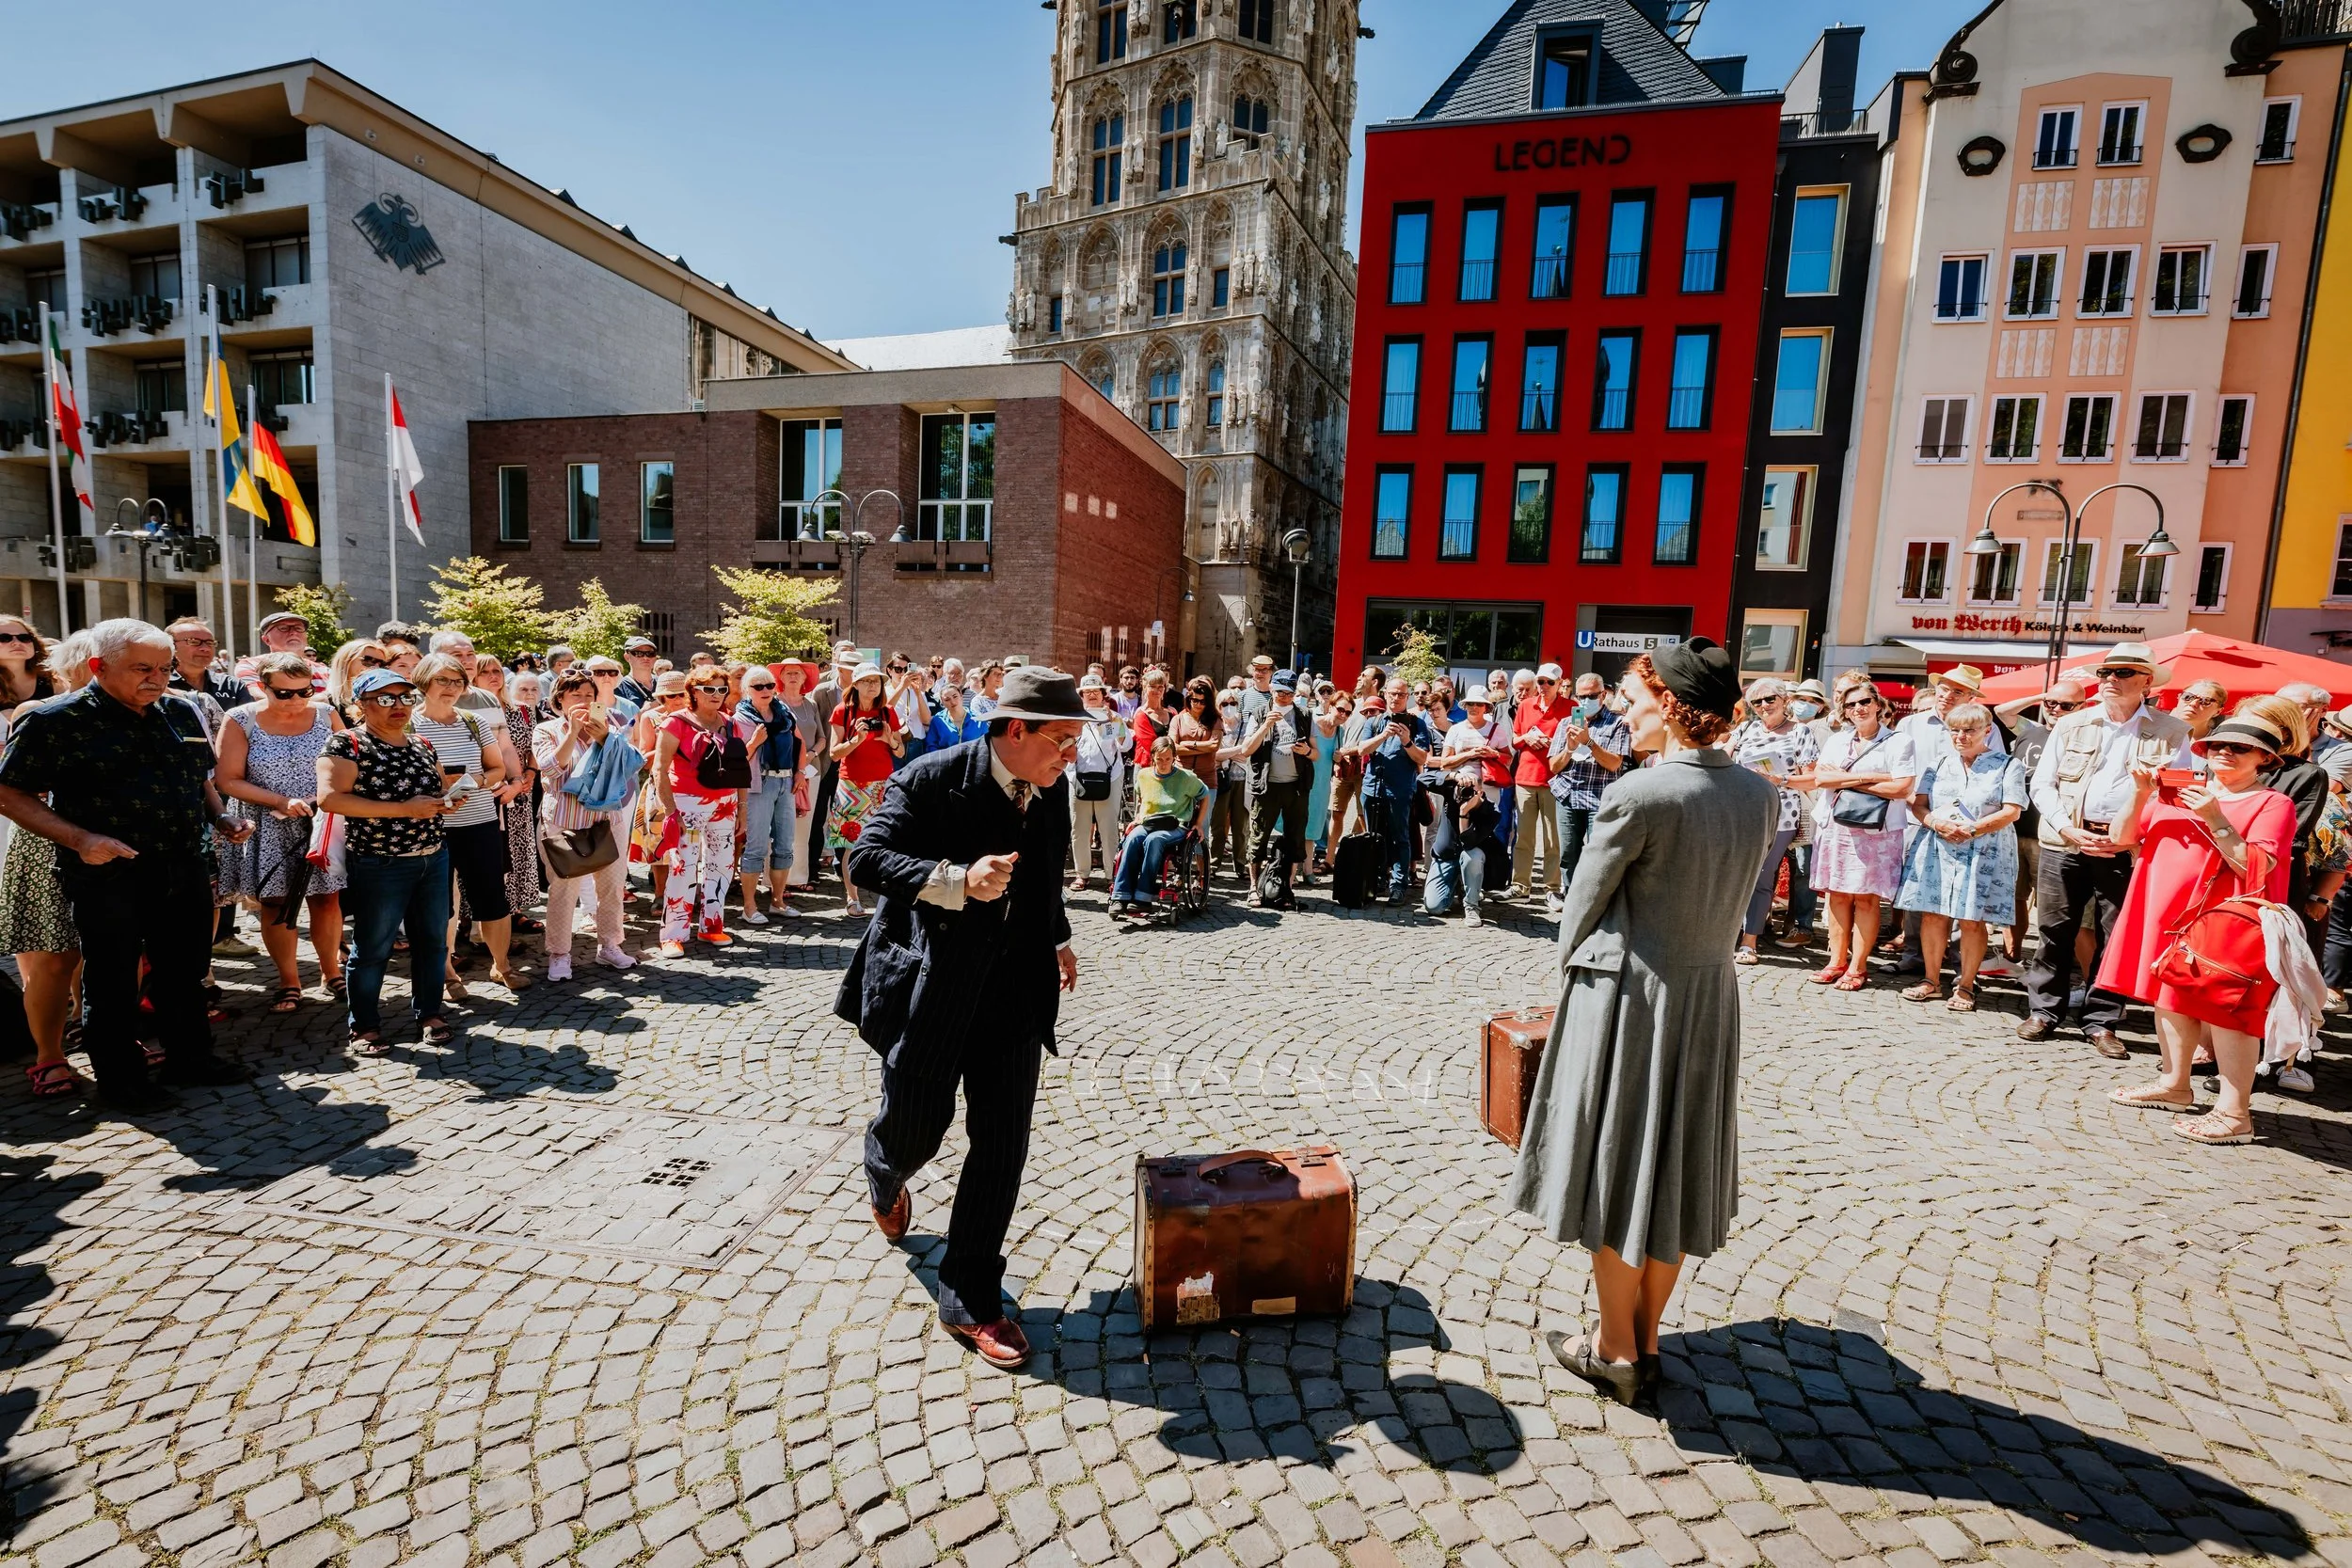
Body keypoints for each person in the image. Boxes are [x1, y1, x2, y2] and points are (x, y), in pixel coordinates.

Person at [1506, 639, 1774, 1405]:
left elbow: (1579, 915)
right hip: (1708, 1000)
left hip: (1631, 1002)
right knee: (1677, 1169)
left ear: (1673, 707)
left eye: (1634, 699)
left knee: (1620, 1173)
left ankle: (1615, 1348)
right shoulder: (1758, 794)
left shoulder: (1641, 794)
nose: (1624, 711)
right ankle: (1647, 1335)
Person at [837, 667, 1088, 1370]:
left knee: (1002, 1141)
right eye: (1060, 739)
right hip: (935, 986)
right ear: (1015, 729)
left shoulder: (1054, 786)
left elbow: (1043, 877)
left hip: (1015, 990)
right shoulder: (929, 777)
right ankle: (884, 1169)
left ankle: (971, 1293)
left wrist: (1059, 937)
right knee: (915, 1125)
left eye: (1074, 741)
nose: (1069, 754)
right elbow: (866, 856)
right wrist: (955, 880)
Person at [0, 620, 256, 1111]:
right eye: (142, 668)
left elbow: (196, 780)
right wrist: (80, 838)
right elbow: (8, 791)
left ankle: (191, 1058)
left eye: (165, 668)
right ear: (98, 666)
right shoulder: (56, 719)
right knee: (113, 979)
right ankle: (122, 1080)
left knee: (185, 971)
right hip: (108, 872)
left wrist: (221, 819)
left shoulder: (180, 711)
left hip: (184, 865)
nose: (157, 678)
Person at [2098, 711, 2296, 1145]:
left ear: (2264, 758)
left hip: (2225, 921)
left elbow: (2255, 867)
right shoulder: (2180, 792)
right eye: (2216, 745)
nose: (2223, 752)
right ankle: (2175, 1084)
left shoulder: (2272, 803)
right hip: (2165, 911)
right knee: (2169, 996)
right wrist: (2139, 791)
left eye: (2239, 747)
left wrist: (2214, 815)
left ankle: (2234, 1112)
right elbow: (2123, 836)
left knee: (2228, 1011)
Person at [2021, 643, 2190, 1057]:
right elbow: (2042, 784)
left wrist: (2133, 836)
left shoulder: (2173, 731)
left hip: (2126, 848)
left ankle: (2101, 1021)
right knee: (2053, 930)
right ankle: (2044, 1011)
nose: (2110, 679)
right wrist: (2067, 828)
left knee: (2115, 937)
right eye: (2105, 673)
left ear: (2147, 681)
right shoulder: (2072, 724)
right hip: (2065, 841)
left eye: (2123, 672)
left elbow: (2179, 793)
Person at [320, 668, 460, 1052]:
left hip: (432, 855)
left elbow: (434, 791)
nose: (397, 706)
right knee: (373, 947)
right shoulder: (347, 743)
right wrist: (404, 809)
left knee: (433, 942)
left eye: (405, 698)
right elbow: (331, 799)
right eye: (385, 699)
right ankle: (364, 1025)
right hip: (380, 861)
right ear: (361, 705)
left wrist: (444, 802)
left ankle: (430, 1012)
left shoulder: (422, 744)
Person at [215, 651, 347, 1013]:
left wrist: (320, 798)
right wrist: (282, 800)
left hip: (320, 819)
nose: (295, 700)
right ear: (263, 687)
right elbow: (228, 779)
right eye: (284, 693)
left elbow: (348, 763)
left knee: (327, 899)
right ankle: (289, 980)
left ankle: (331, 970)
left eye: (303, 692)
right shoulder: (241, 719)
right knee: (274, 903)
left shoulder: (324, 713)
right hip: (267, 822)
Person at [1894, 704, 2024, 1011]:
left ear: (1987, 731)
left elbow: (2012, 810)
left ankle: (1965, 985)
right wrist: (1936, 823)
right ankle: (1930, 980)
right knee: (1933, 914)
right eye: (1955, 730)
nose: (1961, 736)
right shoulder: (1938, 764)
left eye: (1969, 730)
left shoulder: (2007, 765)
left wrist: (1973, 828)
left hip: (1983, 851)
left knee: (1971, 920)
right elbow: (1919, 805)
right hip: (1939, 847)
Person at [408, 654, 523, 994]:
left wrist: (471, 780)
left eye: (457, 681)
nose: (451, 688)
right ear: (424, 681)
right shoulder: (408, 725)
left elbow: (497, 769)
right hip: (432, 826)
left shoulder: (474, 721)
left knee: (493, 898)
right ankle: (446, 974)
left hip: (480, 822)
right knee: (439, 903)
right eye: (442, 680)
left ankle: (501, 966)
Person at [2, 629, 84, 1098]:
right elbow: (17, 788)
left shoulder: (146, 712)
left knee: (114, 953)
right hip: (46, 841)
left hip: (115, 843)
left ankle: (101, 1031)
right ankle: (49, 1057)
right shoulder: (39, 712)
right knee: (53, 957)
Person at [1806, 685, 1916, 990]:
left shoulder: (1899, 741)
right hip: (1836, 827)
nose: (1859, 708)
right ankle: (1836, 962)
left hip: (1876, 832)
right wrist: (1874, 777)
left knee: (1867, 901)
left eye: (1865, 701)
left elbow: (1902, 788)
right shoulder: (1838, 740)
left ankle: (1858, 967)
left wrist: (1847, 781)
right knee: (1837, 896)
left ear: (1877, 703)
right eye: (1851, 704)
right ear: (1844, 709)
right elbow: (1822, 779)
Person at [534, 667, 638, 980]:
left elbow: (633, 764)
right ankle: (560, 953)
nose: (582, 700)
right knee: (564, 889)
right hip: (565, 822)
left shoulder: (612, 725)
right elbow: (550, 770)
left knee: (611, 887)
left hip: (606, 821)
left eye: (589, 695)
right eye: (575, 695)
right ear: (559, 700)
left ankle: (610, 946)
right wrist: (571, 733)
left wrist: (605, 737)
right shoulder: (547, 730)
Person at [653, 667, 752, 956]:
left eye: (722, 689)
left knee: (722, 865)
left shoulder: (730, 723)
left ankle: (712, 925)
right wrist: (671, 811)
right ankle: (673, 934)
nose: (716, 695)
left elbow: (738, 769)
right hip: (687, 803)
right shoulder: (676, 722)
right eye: (709, 689)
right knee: (684, 867)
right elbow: (660, 768)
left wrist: (742, 808)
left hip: (725, 803)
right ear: (693, 691)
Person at [1725, 679, 1818, 964]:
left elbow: (1812, 779)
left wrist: (1782, 779)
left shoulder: (1800, 732)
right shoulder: (1746, 729)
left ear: (1784, 700)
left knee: (1762, 876)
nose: (1764, 706)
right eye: (1757, 702)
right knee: (1734, 875)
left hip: (1781, 813)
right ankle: (1726, 934)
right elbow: (1724, 757)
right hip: (1742, 812)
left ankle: (1749, 942)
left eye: (1770, 699)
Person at [829, 664, 906, 916]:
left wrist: (889, 740)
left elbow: (900, 752)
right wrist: (856, 740)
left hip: (882, 786)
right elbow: (833, 753)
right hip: (851, 785)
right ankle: (852, 898)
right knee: (851, 844)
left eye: (877, 681)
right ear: (856, 684)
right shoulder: (842, 711)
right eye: (867, 680)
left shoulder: (888, 712)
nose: (873, 685)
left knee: (884, 841)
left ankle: (884, 896)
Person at [1349, 678, 1435, 904]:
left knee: (1400, 838)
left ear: (1408, 698)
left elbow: (1422, 758)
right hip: (1373, 788)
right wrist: (1384, 735)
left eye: (1401, 695)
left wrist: (1407, 741)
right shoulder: (1375, 721)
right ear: (1385, 694)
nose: (1396, 698)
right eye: (1392, 694)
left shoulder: (1417, 724)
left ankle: (1399, 884)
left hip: (1400, 789)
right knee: (1374, 837)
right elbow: (1361, 749)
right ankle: (1378, 878)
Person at [1548, 673, 1630, 903]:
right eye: (1581, 696)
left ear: (1603, 695)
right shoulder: (1566, 723)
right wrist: (1570, 748)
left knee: (1599, 853)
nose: (1585, 701)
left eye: (1591, 696)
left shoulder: (1617, 723)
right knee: (1568, 853)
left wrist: (1589, 742)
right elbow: (1554, 766)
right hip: (1568, 794)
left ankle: (1597, 901)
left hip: (1600, 797)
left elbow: (1615, 764)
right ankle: (1572, 897)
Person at [1111, 735, 1211, 915]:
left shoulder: (1186, 778)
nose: (1164, 763)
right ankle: (1121, 895)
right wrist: (1138, 817)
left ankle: (1143, 896)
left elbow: (1205, 795)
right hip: (1149, 822)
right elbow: (1142, 800)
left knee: (1154, 840)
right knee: (1132, 839)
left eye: (1168, 759)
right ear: (1152, 758)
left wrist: (1198, 823)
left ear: (1174, 758)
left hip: (1176, 824)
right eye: (1159, 760)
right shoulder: (1143, 775)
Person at [1245, 671, 1316, 904]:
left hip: (1296, 787)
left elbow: (1315, 754)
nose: (1283, 697)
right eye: (1278, 692)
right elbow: (1247, 749)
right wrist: (1266, 725)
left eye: (1288, 693)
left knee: (1295, 837)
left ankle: (1288, 887)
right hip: (1267, 786)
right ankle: (1254, 888)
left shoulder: (1304, 715)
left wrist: (1306, 752)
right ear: (1271, 690)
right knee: (1258, 837)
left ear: (1295, 693)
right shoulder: (1260, 713)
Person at [737, 667, 800, 924]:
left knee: (785, 845)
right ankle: (749, 907)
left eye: (769, 685)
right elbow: (738, 759)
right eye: (758, 686)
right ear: (747, 690)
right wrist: (753, 742)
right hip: (757, 784)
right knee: (756, 847)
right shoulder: (741, 717)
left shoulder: (784, 712)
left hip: (785, 780)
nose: (765, 691)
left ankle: (778, 902)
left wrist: (800, 772)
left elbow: (798, 743)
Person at [1507, 663, 1574, 901]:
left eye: (1549, 682)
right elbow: (1514, 740)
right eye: (1540, 682)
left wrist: (1554, 741)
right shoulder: (1525, 705)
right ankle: (1520, 885)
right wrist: (1527, 736)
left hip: (1555, 779)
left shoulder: (1571, 707)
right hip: (1525, 777)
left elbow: (1577, 740)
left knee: (1553, 839)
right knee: (1523, 836)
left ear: (1559, 684)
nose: (1544, 686)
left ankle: (1552, 888)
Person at [1067, 674, 1130, 893]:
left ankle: (1112, 875)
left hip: (1109, 779)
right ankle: (1081, 874)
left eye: (1096, 691)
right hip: (1078, 779)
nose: (1092, 694)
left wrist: (1114, 723)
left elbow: (1124, 745)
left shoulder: (1112, 718)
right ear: (1081, 695)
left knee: (1108, 829)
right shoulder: (1074, 718)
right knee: (1079, 829)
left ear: (1104, 695)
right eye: (1087, 691)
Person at [1424, 766, 1502, 926]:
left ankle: (1471, 906)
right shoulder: (1451, 793)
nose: (1465, 794)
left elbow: (1468, 843)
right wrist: (1454, 776)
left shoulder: (1491, 811)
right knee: (1434, 907)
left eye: (1472, 790)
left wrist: (1464, 813)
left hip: (1471, 858)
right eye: (1463, 789)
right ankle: (1456, 885)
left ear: (1480, 791)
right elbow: (1422, 779)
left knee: (1472, 855)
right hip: (1445, 858)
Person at [1207, 690, 1253, 879]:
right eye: (1224, 703)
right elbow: (1213, 754)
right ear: (1218, 706)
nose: (1229, 706)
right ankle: (1214, 864)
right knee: (1217, 824)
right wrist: (1238, 750)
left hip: (1242, 780)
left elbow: (1249, 751)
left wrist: (1227, 752)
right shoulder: (1215, 726)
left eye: (1232, 702)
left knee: (1240, 825)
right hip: (1221, 779)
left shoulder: (1247, 725)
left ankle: (1241, 865)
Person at [232, 610, 326, 698]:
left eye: (298, 628)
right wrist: (323, 700)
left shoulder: (325, 671)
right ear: (266, 639)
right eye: (283, 628)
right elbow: (259, 699)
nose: (293, 632)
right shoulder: (250, 665)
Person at [164, 617, 243, 708]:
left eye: (210, 643)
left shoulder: (232, 685)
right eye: (194, 642)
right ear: (171, 646)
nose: (205, 648)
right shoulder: (158, 684)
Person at [325, 639, 390, 727]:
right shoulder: (324, 703)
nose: (376, 668)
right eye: (369, 660)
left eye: (382, 664)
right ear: (346, 661)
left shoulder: (385, 700)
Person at [614, 636, 662, 708]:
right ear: (627, 657)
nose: (645, 658)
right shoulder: (618, 687)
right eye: (638, 653)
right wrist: (643, 712)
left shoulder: (663, 683)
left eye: (650, 653)